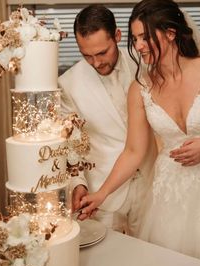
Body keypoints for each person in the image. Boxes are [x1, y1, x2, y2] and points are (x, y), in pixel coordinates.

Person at [79, 0, 200, 262]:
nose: (138, 46)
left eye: (145, 37)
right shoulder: (140, 89)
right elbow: (133, 151)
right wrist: (101, 194)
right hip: (171, 196)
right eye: (135, 38)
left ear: (171, 33)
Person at [58, 4, 157, 236]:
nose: (96, 62)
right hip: (104, 194)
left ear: (118, 36)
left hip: (153, 185)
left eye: (102, 52)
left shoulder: (146, 65)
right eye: (87, 56)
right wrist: (78, 184)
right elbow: (69, 145)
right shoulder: (68, 84)